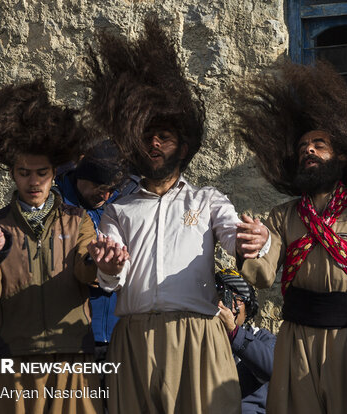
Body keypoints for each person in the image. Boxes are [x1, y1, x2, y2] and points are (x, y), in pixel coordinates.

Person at [85, 16, 268, 414]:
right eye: (148, 135)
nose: (155, 143)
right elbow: (112, 277)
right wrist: (110, 266)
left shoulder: (207, 200)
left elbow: (234, 235)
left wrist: (255, 240)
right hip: (133, 340)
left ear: (182, 149)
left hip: (198, 338)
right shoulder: (119, 209)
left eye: (165, 136)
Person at [233, 61, 347, 414]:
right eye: (304, 146)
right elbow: (261, 274)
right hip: (297, 341)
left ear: (342, 155)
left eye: (320, 145)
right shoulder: (281, 216)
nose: (309, 150)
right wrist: (253, 244)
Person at [0, 80, 102, 414]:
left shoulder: (79, 221)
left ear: (54, 173)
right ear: (12, 174)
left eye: (41, 173)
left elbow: (86, 270)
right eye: (24, 173)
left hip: (72, 357)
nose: (33, 182)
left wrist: (102, 263)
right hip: (12, 360)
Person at [55, 139, 139, 359]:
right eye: (100, 189)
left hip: (120, 332)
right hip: (68, 332)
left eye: (111, 190)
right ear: (82, 178)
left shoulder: (126, 203)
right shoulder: (55, 204)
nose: (105, 197)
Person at [215, 269, 276, 414]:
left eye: (236, 299)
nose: (226, 304)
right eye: (222, 297)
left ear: (248, 309)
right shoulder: (200, 339)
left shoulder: (262, 337)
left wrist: (233, 331)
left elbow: (271, 367)